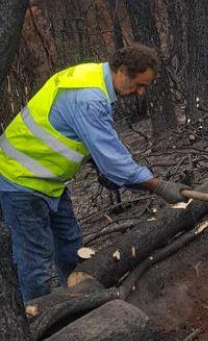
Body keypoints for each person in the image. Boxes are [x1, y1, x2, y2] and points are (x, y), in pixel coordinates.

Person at [0, 45, 186, 302]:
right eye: (139, 84)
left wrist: (96, 164)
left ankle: (77, 302)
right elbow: (116, 162)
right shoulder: (89, 98)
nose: (140, 92)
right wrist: (160, 187)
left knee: (70, 248)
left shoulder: (90, 76)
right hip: (20, 181)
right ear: (121, 71)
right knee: (35, 263)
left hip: (49, 181)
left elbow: (67, 130)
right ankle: (40, 323)